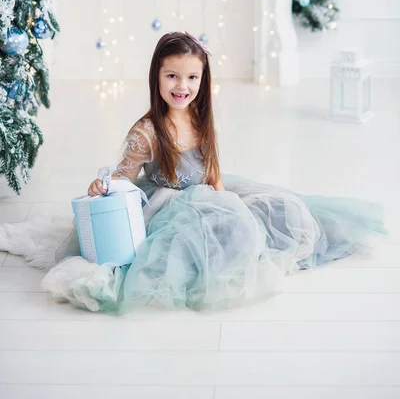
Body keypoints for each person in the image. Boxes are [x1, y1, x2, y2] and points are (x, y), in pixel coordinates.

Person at [0, 32, 387, 313]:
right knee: (188, 248)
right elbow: (123, 176)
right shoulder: (147, 132)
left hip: (206, 193)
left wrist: (224, 198)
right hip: (166, 205)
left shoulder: (201, 119)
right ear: (157, 77)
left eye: (191, 78)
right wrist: (104, 184)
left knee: (267, 215)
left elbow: (212, 167)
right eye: (172, 76)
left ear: (202, 82)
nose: (181, 86)